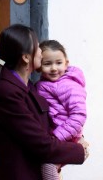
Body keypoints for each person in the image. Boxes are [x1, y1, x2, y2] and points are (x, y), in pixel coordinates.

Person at [0, 24, 89, 180]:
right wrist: (79, 150)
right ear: (26, 57)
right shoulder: (6, 93)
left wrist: (77, 135)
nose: (41, 52)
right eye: (37, 47)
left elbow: (50, 121)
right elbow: (41, 144)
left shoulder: (29, 86)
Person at [36, 39, 87, 180]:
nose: (53, 68)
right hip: (57, 135)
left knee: (48, 165)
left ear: (66, 64)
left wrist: (56, 137)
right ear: (39, 66)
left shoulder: (68, 85)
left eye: (58, 63)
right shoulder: (43, 84)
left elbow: (79, 115)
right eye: (47, 64)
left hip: (66, 136)